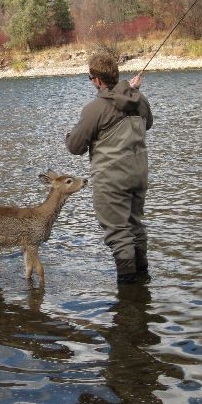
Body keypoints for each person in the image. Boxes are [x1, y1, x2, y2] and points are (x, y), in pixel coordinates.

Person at [65, 52, 153, 285]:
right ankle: (142, 281)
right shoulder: (139, 100)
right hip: (139, 175)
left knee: (118, 233)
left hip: (112, 180)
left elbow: (75, 147)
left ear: (97, 80)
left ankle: (128, 289)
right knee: (135, 227)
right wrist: (133, 92)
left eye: (90, 78)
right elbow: (149, 123)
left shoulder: (96, 108)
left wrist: (68, 136)